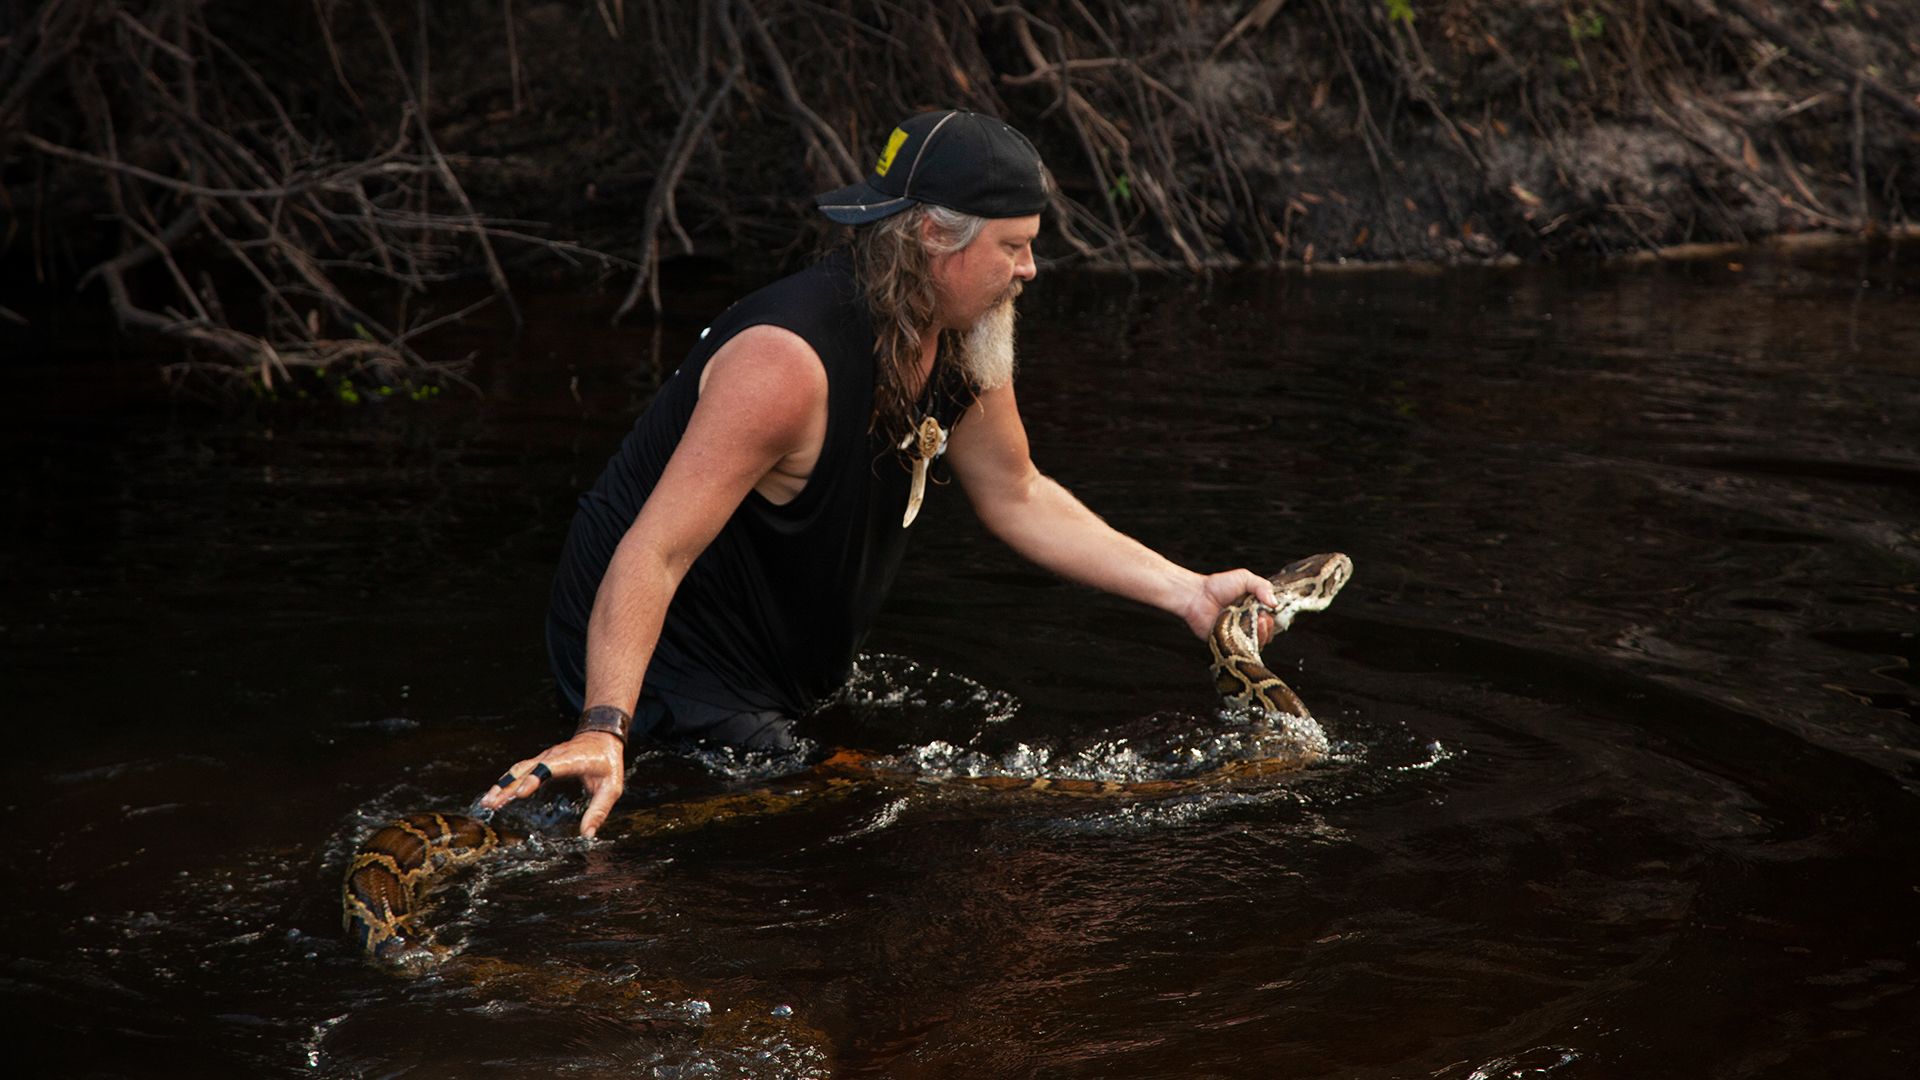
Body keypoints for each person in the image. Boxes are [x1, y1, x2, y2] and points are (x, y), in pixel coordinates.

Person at [480, 109, 1279, 837]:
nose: (1031, 269)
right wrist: (602, 727)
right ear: (934, 235)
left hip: (780, 661)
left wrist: (1188, 592)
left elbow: (1019, 492)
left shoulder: (966, 331)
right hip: (669, 660)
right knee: (863, 811)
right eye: (1013, 246)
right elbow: (653, 550)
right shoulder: (785, 362)